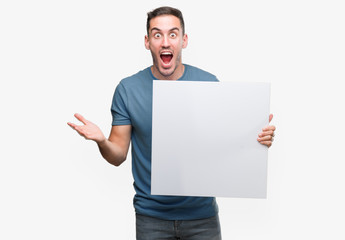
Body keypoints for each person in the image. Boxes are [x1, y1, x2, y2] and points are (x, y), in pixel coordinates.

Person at [68, 6, 276, 240]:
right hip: (151, 218)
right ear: (147, 42)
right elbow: (117, 156)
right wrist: (101, 141)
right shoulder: (128, 89)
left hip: (202, 218)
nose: (165, 42)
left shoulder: (209, 84)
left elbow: (223, 148)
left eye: (173, 34)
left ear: (184, 40)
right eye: (157, 35)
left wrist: (255, 141)